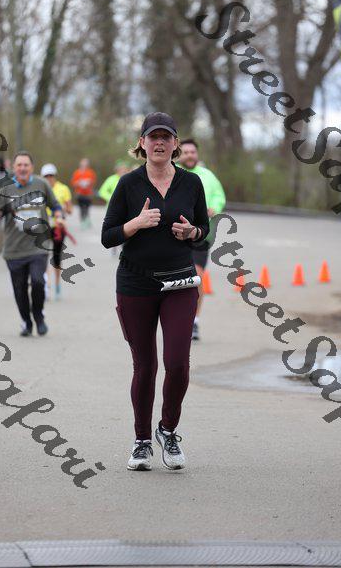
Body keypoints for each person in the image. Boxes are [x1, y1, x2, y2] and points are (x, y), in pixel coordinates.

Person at [101, 112, 209, 472]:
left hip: (180, 283)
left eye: (166, 137)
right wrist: (135, 223)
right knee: (145, 366)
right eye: (153, 137)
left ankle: (168, 430)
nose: (159, 142)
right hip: (136, 284)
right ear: (142, 143)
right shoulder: (128, 184)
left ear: (175, 144)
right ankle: (142, 441)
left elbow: (204, 230)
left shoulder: (192, 183)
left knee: (177, 363)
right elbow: (107, 236)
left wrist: (191, 232)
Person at [0, 151, 63, 336]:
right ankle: (26, 322)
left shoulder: (41, 184)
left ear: (32, 167)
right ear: (14, 168)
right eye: (19, 165)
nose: (22, 168)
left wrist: (59, 215)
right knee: (20, 289)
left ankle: (38, 316)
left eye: (26, 165)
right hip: (14, 249)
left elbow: (55, 205)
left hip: (38, 246)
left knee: (38, 281)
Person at [179, 139, 226, 341]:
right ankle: (174, 318)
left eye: (192, 152)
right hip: (175, 233)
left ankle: (194, 321)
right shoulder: (172, 173)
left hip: (201, 233)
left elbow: (219, 196)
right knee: (175, 278)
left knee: (197, 277)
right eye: (186, 152)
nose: (189, 155)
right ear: (179, 154)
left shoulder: (208, 176)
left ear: (197, 154)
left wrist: (215, 207)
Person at [40, 163, 74, 300]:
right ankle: (46, 286)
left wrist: (61, 211)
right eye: (46, 176)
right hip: (43, 226)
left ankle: (57, 284)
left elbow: (70, 209)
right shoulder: (39, 189)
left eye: (51, 175)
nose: (49, 178)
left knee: (56, 258)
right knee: (42, 257)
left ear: (55, 176)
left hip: (58, 227)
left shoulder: (63, 189)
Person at [98, 161, 131, 256]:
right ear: (117, 170)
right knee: (114, 227)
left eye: (124, 169)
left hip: (127, 207)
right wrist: (112, 198)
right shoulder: (111, 179)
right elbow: (102, 191)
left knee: (126, 226)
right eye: (121, 169)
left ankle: (124, 248)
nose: (122, 171)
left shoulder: (130, 178)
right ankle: (114, 247)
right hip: (113, 208)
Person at [70, 158, 97, 228]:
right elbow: (73, 183)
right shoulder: (77, 172)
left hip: (88, 194)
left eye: (85, 164)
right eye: (83, 164)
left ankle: (87, 220)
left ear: (88, 164)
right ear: (80, 164)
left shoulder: (90, 172)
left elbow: (93, 181)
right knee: (81, 208)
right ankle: (82, 221)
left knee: (87, 208)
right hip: (79, 193)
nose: (84, 165)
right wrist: (79, 183)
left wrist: (88, 182)